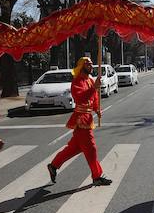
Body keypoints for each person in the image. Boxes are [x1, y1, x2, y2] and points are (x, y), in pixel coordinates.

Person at [46, 57, 112, 186]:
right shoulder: (76, 81)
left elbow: (94, 97)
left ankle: (53, 165)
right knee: (91, 149)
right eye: (88, 64)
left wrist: (97, 108)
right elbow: (81, 98)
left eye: (92, 64)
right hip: (81, 119)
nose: (91, 66)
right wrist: (94, 88)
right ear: (81, 66)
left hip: (87, 117)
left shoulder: (90, 80)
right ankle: (97, 176)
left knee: (74, 148)